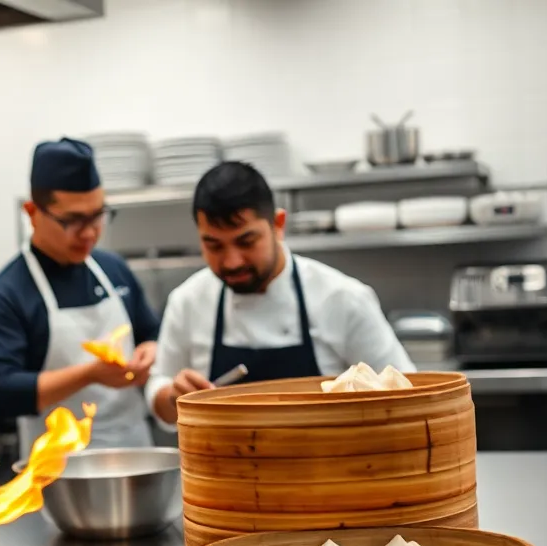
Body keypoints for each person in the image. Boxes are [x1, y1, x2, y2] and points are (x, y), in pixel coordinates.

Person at [147, 161, 414, 426]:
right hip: (225, 465)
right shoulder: (188, 301)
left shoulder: (343, 298)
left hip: (328, 464)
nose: (232, 261)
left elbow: (405, 391)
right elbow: (160, 395)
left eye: (246, 241)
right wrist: (173, 396)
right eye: (213, 245)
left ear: (278, 224)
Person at [0, 137, 158, 458]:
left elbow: (151, 333)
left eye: (97, 215)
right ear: (32, 212)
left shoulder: (113, 270)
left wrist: (150, 352)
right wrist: (89, 374)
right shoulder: (6, 295)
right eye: (72, 221)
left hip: (135, 451)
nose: (89, 233)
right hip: (58, 470)